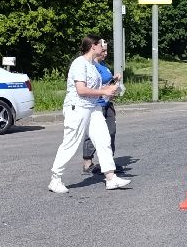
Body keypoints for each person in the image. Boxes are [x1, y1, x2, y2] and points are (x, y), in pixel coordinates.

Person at [48, 35, 131, 193]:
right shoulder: (79, 63)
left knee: (103, 140)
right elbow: (81, 89)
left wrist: (110, 89)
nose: (103, 48)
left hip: (93, 108)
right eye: (101, 45)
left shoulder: (93, 65)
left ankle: (111, 178)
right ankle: (55, 179)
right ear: (93, 46)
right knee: (70, 143)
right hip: (77, 107)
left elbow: (96, 89)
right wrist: (103, 91)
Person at [81, 38, 122, 175]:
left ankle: (109, 162)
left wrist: (114, 82)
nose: (105, 53)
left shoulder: (104, 65)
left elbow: (106, 82)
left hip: (107, 102)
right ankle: (88, 163)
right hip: (96, 103)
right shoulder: (90, 65)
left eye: (106, 51)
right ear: (95, 49)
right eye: (103, 50)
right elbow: (91, 85)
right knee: (93, 134)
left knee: (111, 132)